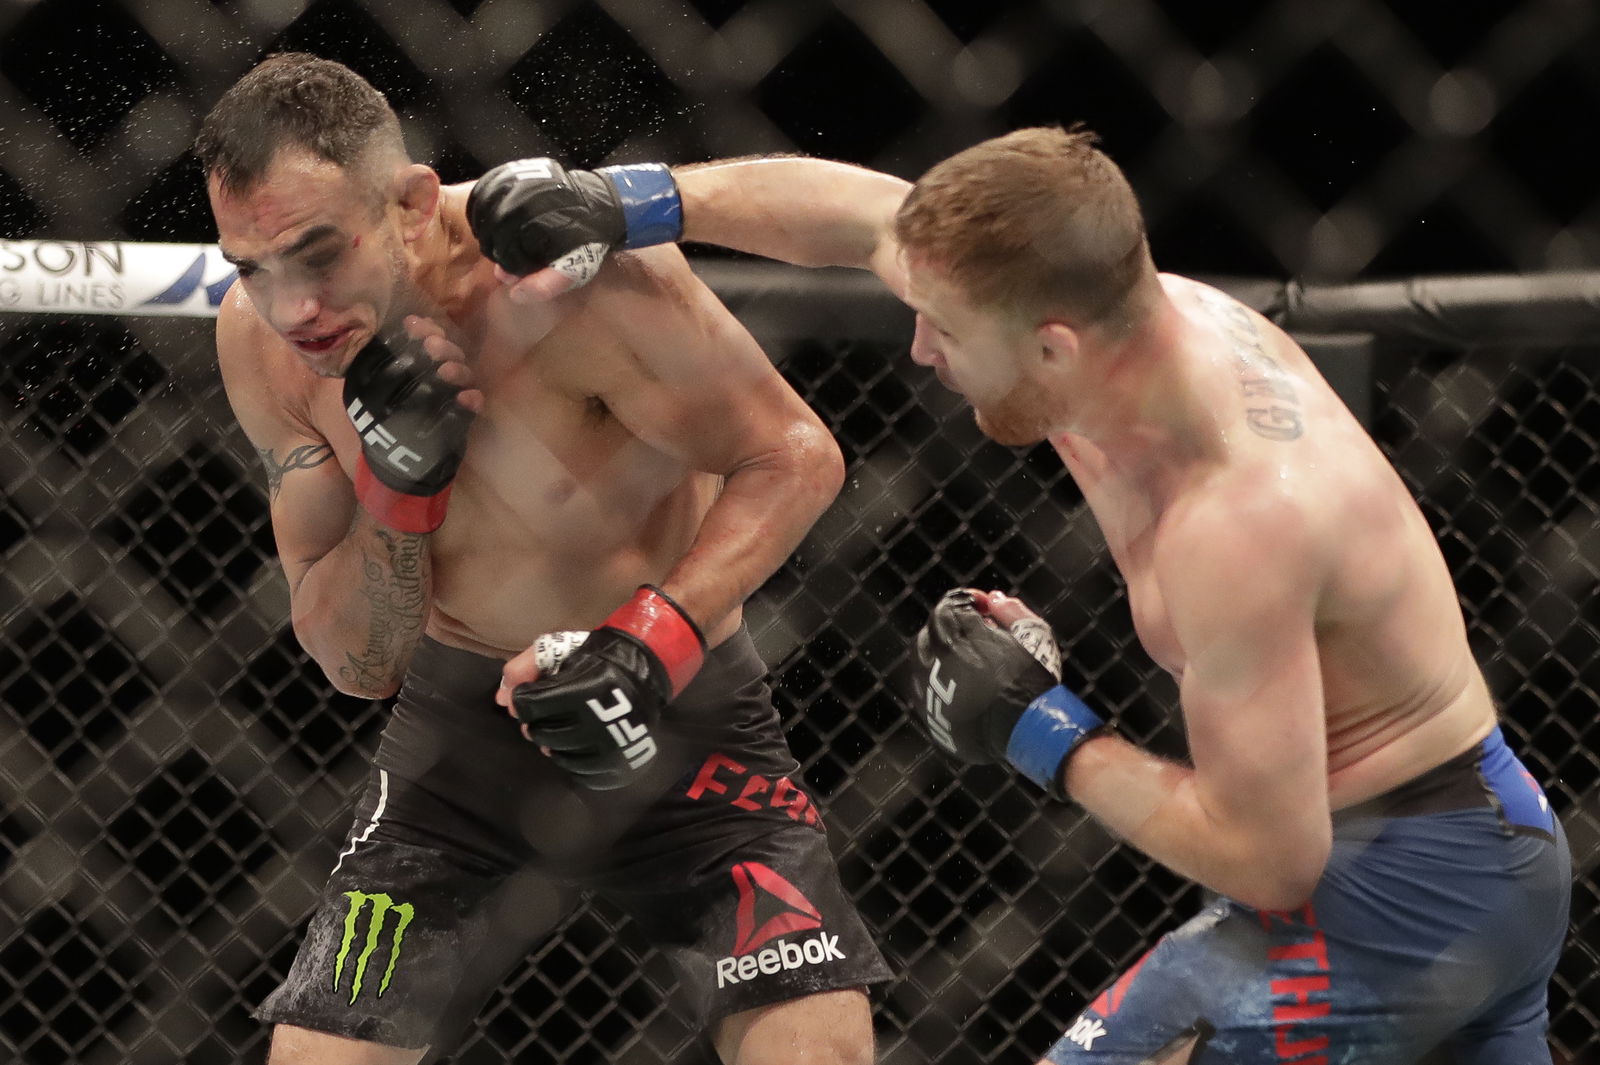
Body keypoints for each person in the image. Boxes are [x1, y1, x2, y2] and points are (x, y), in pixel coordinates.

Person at [466, 129, 1573, 1063]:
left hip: (1401, 883)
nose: (916, 347)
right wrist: (625, 200)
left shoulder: (1238, 517)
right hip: (1471, 838)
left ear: (1050, 344)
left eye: (944, 331)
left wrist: (1040, 727)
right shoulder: (1102, 316)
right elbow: (863, 218)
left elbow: (1270, 856)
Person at [193, 53, 891, 1065]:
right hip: (457, 740)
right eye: (252, 268)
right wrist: (395, 501)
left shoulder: (576, 278)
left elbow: (792, 456)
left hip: (675, 708)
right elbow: (356, 665)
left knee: (820, 1053)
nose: (293, 307)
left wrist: (650, 639)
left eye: (317, 251)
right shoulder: (262, 350)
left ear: (411, 202)